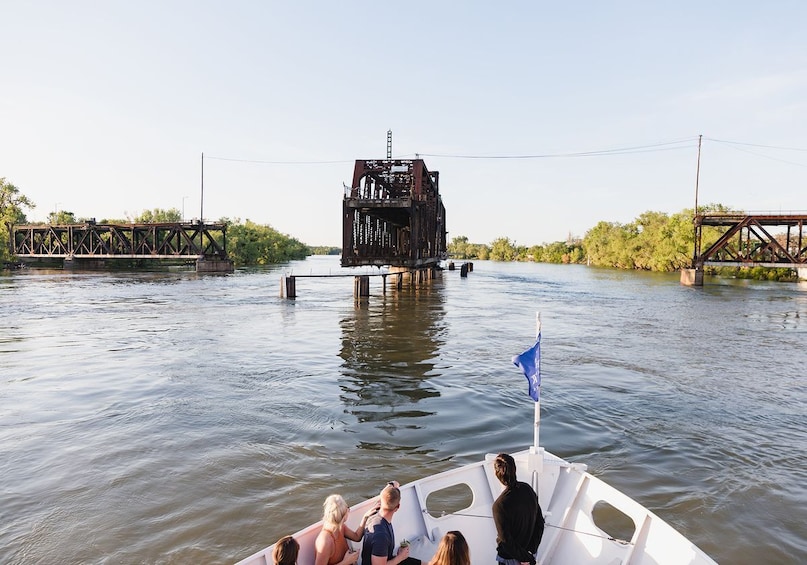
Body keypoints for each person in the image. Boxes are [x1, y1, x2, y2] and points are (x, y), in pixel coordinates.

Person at [492, 453, 544, 565]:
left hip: (510, 559)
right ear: (515, 469)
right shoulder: (528, 490)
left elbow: (506, 542)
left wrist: (525, 558)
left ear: (497, 474)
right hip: (529, 553)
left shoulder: (499, 506)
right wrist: (530, 553)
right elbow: (540, 523)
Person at [315, 493, 380, 565]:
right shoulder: (325, 541)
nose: (348, 510)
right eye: (347, 508)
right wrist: (346, 562)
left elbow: (357, 537)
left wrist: (365, 517)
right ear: (343, 517)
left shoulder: (340, 527)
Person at [361, 482, 411, 565]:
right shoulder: (381, 536)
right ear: (398, 507)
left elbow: (384, 494)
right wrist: (400, 557)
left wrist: (392, 485)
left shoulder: (374, 513)